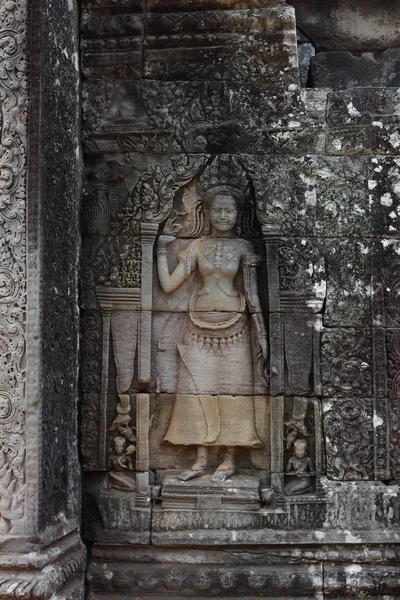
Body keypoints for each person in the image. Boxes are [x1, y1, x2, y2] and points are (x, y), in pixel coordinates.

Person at [157, 188, 268, 482]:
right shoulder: (196, 247)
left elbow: (253, 296)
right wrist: (159, 249)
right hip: (197, 326)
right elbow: (169, 286)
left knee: (234, 390)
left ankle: (230, 458)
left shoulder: (244, 248)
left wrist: (263, 335)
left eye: (229, 211)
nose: (222, 216)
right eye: (217, 210)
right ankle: (201, 458)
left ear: (237, 215)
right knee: (195, 390)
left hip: (236, 328)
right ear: (206, 213)